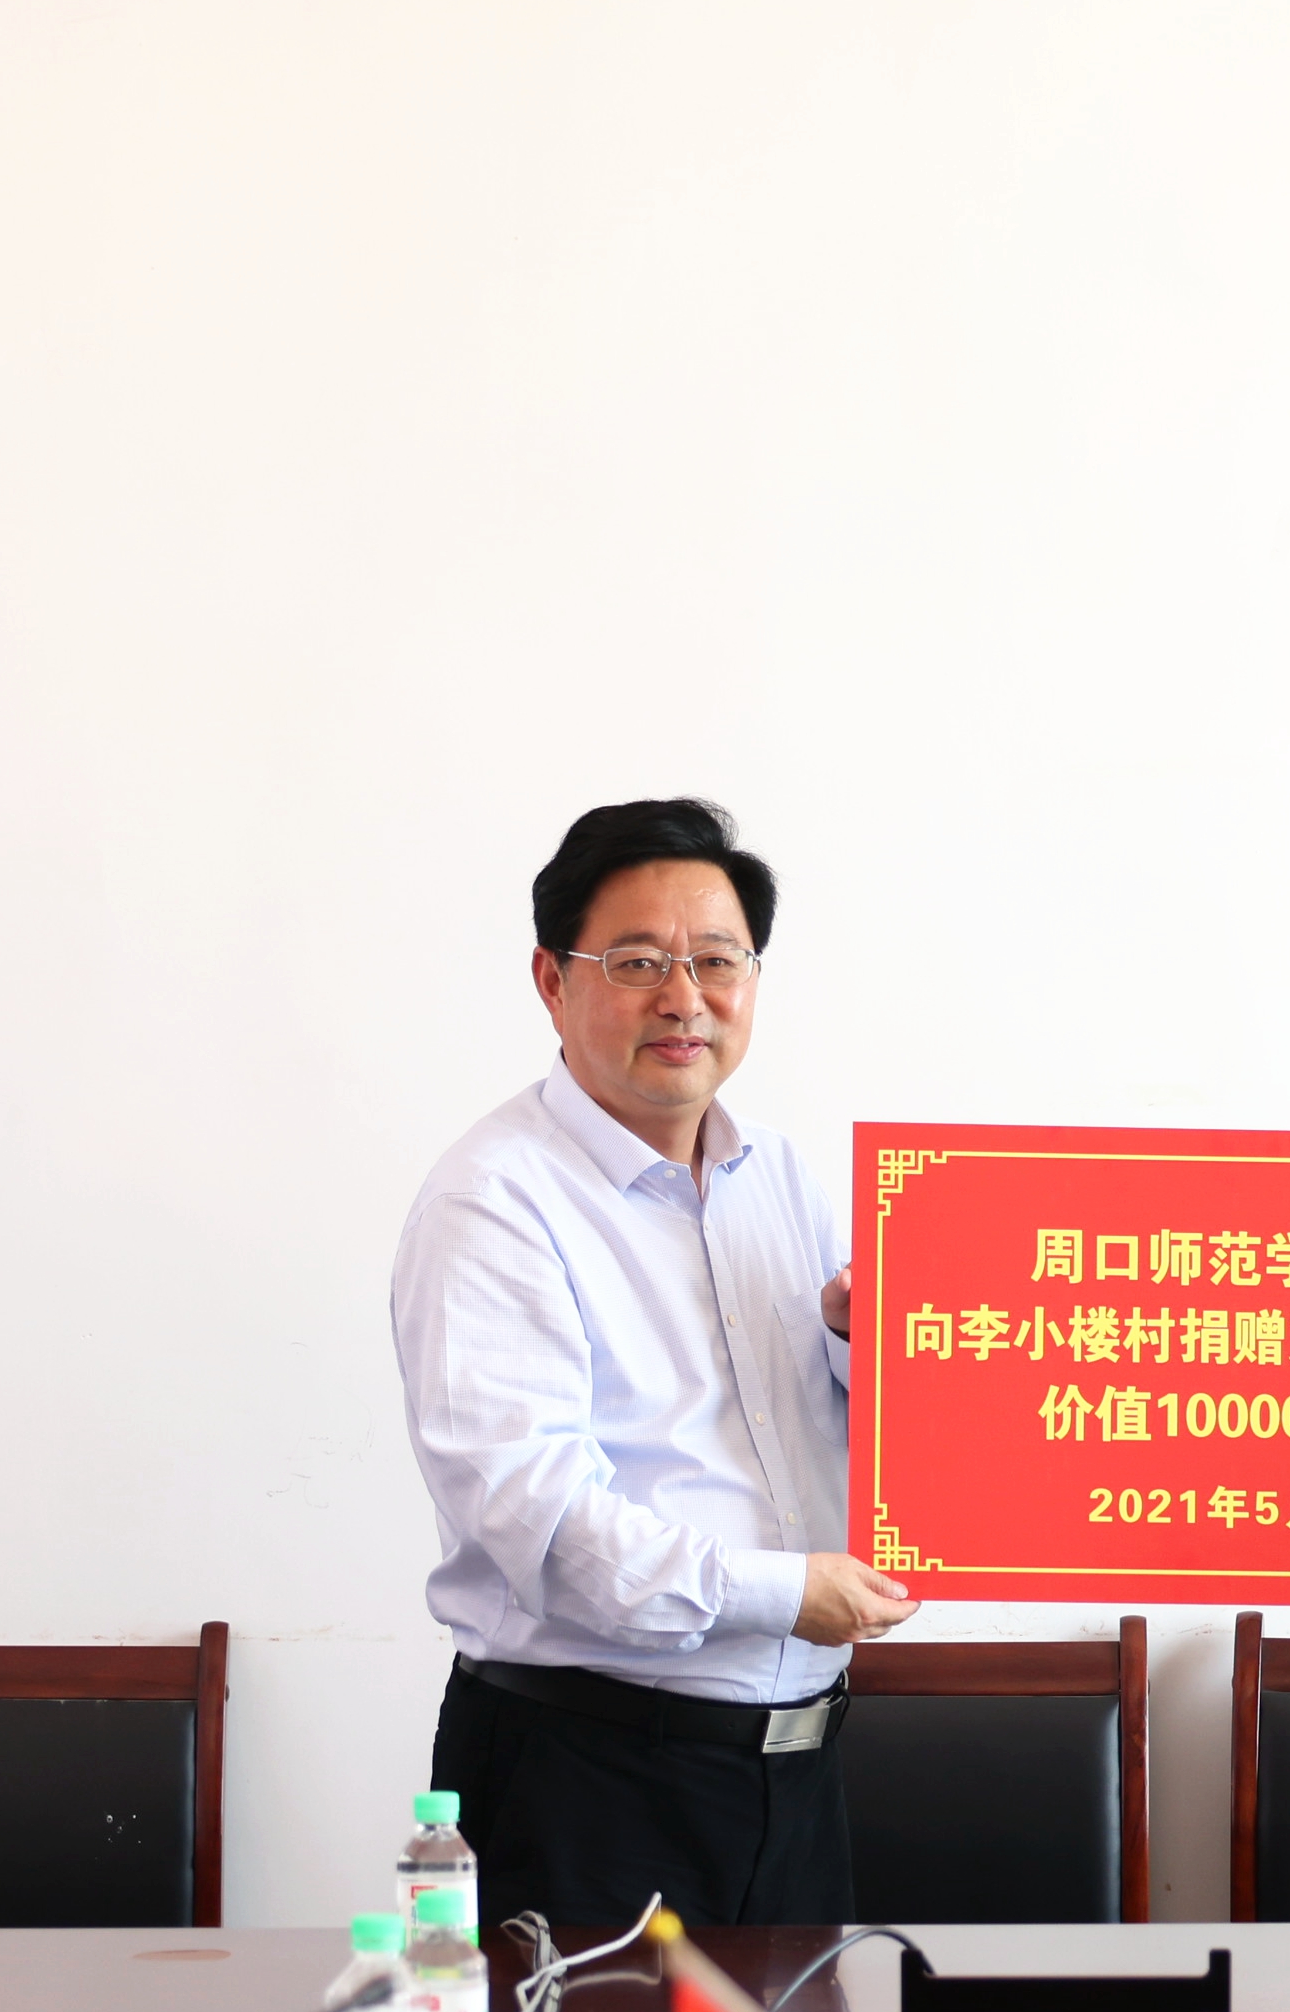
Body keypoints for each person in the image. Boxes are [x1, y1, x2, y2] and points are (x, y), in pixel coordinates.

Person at [390, 798, 917, 1932]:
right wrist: (788, 1594)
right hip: (589, 1777)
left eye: (718, 959)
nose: (685, 997)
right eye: (637, 962)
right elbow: (543, 1525)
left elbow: (786, 1438)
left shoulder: (779, 1174)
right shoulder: (494, 1201)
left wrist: (853, 1343)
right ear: (552, 979)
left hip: (796, 1777)